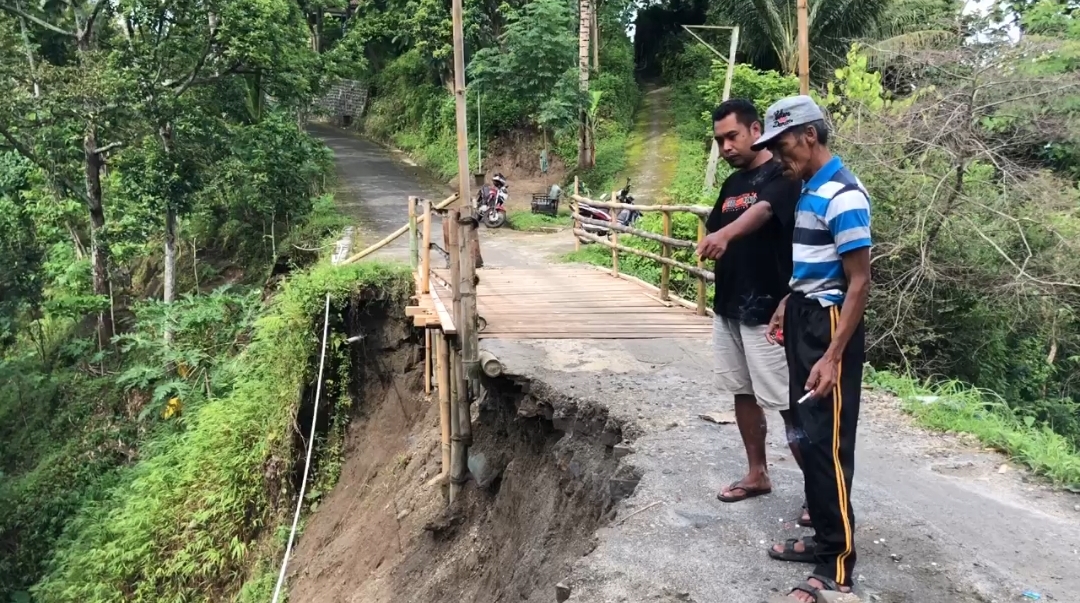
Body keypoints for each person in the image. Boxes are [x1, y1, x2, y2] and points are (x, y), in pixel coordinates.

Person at [754, 95, 872, 603]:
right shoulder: (809, 188)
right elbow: (815, 267)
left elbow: (860, 282)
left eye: (783, 145)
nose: (780, 156)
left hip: (830, 327)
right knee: (804, 434)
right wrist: (787, 301)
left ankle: (836, 566)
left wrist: (832, 355)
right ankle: (824, 539)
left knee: (826, 443)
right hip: (805, 315)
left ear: (809, 135)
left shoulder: (843, 194)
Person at [696, 99, 811, 528]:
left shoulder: (782, 174)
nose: (726, 146)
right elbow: (714, 224)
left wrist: (726, 234)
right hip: (729, 305)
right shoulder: (731, 183)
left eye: (733, 136)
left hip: (768, 310)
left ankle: (816, 490)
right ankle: (757, 473)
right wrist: (717, 236)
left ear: (755, 130)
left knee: (785, 402)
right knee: (741, 393)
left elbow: (762, 213)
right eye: (720, 140)